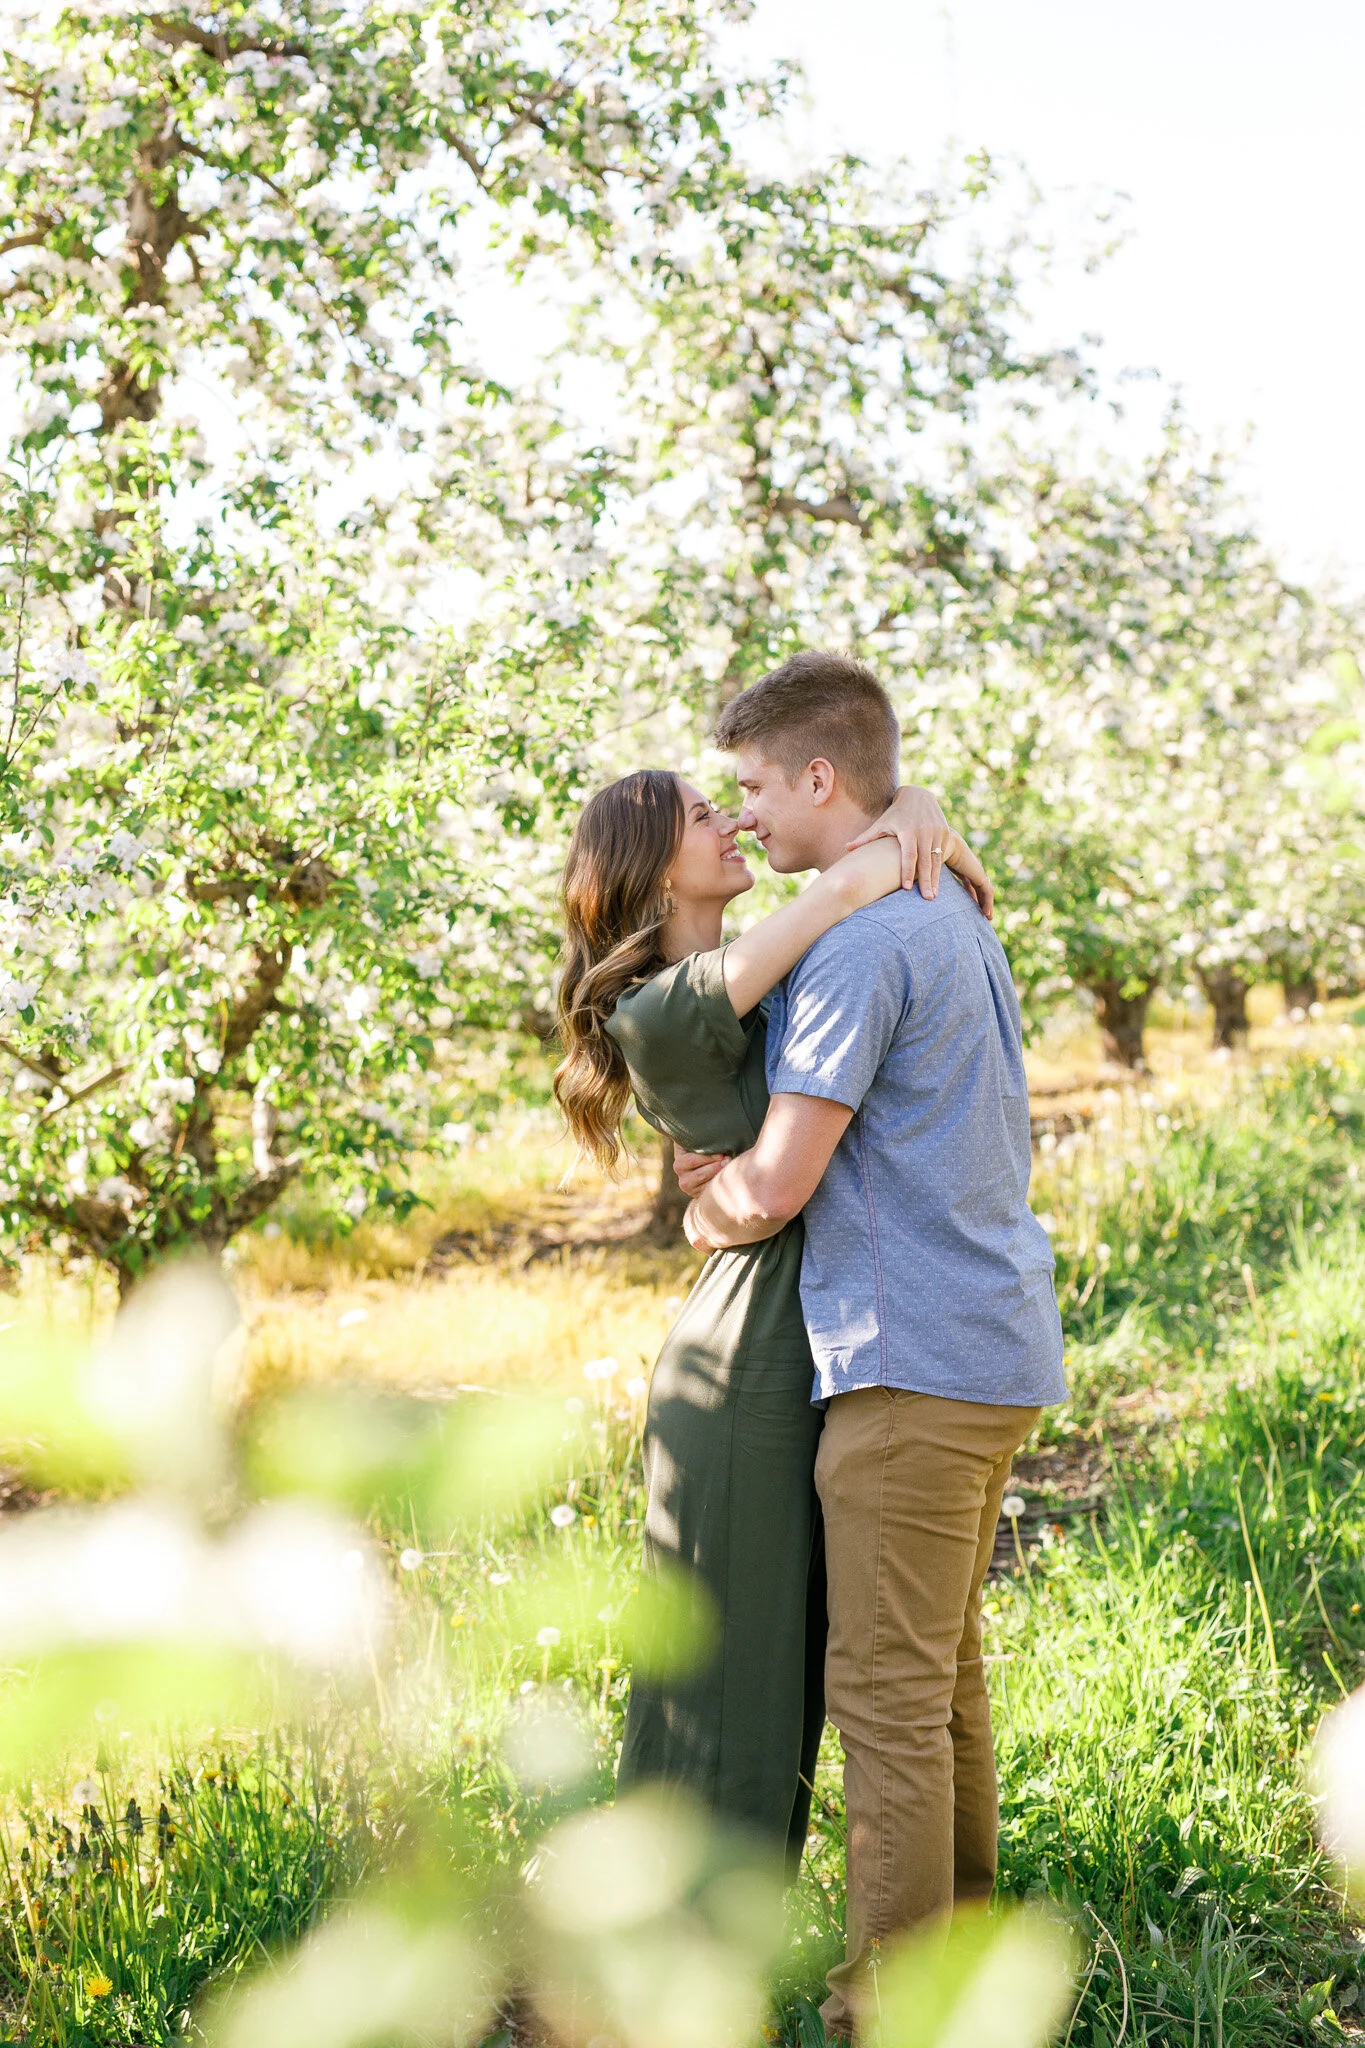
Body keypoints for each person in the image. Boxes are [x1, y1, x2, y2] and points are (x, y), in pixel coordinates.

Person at [678, 651, 1067, 2039]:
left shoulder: (853, 944)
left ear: (821, 778)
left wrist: (703, 1209)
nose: (745, 820)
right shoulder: (942, 898)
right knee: (942, 1682)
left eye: (754, 788)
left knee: (888, 1705)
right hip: (995, 1338)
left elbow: (779, 1179)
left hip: (908, 1360)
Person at [553, 766, 992, 1876]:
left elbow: (900, 864)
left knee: (792, 1666)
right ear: (654, 865)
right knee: (732, 1679)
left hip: (806, 1329)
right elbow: (848, 888)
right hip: (747, 1358)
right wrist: (910, 822)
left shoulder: (744, 977)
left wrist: (921, 806)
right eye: (710, 813)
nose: (738, 818)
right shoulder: (666, 1002)